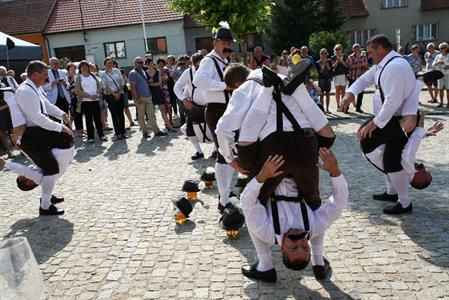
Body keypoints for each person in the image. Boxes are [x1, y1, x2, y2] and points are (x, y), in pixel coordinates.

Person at [217, 63, 335, 211]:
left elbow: (222, 129)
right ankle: (300, 91)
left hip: (274, 147)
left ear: (237, 84)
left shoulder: (244, 89)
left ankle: (267, 92)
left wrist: (230, 159)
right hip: (307, 142)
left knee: (254, 202)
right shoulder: (285, 78)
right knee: (313, 201)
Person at [241, 149, 348, 282]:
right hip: (301, 172)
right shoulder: (314, 227)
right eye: (304, 246)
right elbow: (339, 203)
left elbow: (247, 203)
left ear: (282, 249)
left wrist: (262, 176)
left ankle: (265, 265)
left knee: (244, 151)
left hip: (271, 174)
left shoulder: (266, 231)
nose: (299, 241)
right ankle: (318, 261)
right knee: (323, 137)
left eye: (293, 247)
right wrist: (334, 171)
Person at [341, 34, 416, 214]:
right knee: (388, 155)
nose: (369, 56)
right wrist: (350, 93)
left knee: (370, 143)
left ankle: (404, 201)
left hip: (398, 120)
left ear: (381, 49)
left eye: (370, 52)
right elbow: (364, 80)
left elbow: (393, 100)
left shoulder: (396, 67)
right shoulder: (384, 65)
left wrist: (374, 124)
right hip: (390, 118)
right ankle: (392, 191)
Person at [13, 60, 73, 215]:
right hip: (31, 138)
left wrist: (62, 115)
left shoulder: (34, 88)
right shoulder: (26, 91)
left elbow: (46, 105)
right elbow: (37, 117)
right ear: (34, 75)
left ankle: (48, 195)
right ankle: (45, 207)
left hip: (38, 135)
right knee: (51, 168)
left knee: (48, 169)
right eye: (45, 75)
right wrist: (61, 127)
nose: (47, 78)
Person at [192, 26, 236, 212]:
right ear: (215, 43)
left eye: (229, 44)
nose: (227, 47)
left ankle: (225, 192)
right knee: (223, 154)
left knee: (231, 154)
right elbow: (198, 81)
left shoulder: (224, 61)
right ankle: (223, 198)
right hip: (217, 110)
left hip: (228, 110)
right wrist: (223, 86)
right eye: (224, 43)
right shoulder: (209, 61)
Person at [174, 53, 210, 160]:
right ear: (194, 63)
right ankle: (199, 151)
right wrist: (184, 99)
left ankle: (216, 151)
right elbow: (177, 87)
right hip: (194, 107)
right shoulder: (188, 72)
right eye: (200, 63)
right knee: (189, 130)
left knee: (216, 128)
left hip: (210, 106)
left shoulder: (209, 71)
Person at [129, 57, 166, 138]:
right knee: (141, 116)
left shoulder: (143, 71)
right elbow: (132, 87)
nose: (140, 64)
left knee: (151, 115)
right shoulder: (132, 73)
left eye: (141, 62)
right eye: (138, 62)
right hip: (140, 97)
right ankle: (144, 132)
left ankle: (156, 131)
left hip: (148, 96)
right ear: (135, 63)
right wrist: (137, 98)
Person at [74, 61, 106, 143]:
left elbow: (99, 86)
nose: (84, 68)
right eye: (82, 67)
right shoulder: (78, 77)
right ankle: (90, 137)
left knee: (98, 119)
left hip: (96, 100)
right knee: (88, 120)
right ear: (80, 68)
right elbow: (78, 90)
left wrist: (97, 94)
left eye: (86, 66)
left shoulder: (93, 75)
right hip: (86, 102)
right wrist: (89, 96)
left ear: (88, 67)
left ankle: (101, 135)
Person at [146, 58, 176, 132]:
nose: (150, 65)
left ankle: (169, 126)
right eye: (148, 64)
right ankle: (155, 128)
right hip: (150, 93)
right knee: (151, 112)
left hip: (159, 92)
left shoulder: (157, 72)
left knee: (163, 109)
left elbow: (159, 83)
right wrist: (151, 83)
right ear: (146, 65)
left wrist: (150, 83)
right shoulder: (145, 73)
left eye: (151, 63)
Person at [100, 57, 126, 140]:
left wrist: (119, 92)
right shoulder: (103, 74)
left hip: (120, 93)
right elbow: (105, 86)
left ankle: (123, 132)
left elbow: (122, 82)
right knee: (114, 115)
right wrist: (114, 94)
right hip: (110, 96)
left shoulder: (117, 71)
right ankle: (117, 133)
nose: (110, 64)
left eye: (111, 63)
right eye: (108, 63)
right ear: (105, 65)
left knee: (121, 114)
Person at [66, 62, 84, 138]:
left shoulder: (77, 76)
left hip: (79, 98)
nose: (73, 70)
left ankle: (81, 130)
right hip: (72, 99)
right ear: (68, 70)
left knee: (80, 114)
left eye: (74, 69)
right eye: (71, 69)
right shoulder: (67, 78)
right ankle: (78, 131)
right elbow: (70, 88)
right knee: (75, 115)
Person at [331, 44, 349, 112]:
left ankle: (343, 105)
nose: (338, 50)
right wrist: (337, 61)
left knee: (343, 91)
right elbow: (333, 67)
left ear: (342, 49)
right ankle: (338, 105)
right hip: (336, 76)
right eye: (336, 49)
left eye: (339, 49)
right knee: (337, 91)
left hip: (343, 75)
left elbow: (347, 66)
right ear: (334, 50)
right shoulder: (333, 57)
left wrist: (341, 61)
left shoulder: (344, 57)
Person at [432, 42, 449, 108]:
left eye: (443, 48)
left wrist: (445, 65)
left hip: (448, 74)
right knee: (440, 89)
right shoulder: (438, 56)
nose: (441, 49)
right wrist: (437, 62)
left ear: (446, 48)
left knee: (448, 89)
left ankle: (448, 103)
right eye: (440, 48)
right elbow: (433, 65)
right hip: (440, 74)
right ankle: (441, 103)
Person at [0, 85, 15, 158]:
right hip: (1, 116)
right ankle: (9, 152)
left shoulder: (4, 88)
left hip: (9, 113)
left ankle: (21, 149)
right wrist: (7, 105)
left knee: (14, 131)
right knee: (3, 134)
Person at [316, 48, 333, 113]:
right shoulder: (317, 63)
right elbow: (319, 72)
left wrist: (327, 65)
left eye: (325, 53)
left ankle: (327, 109)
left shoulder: (329, 61)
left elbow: (330, 70)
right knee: (321, 95)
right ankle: (322, 109)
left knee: (328, 94)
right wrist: (323, 65)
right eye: (322, 53)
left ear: (327, 54)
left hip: (328, 79)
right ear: (320, 54)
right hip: (321, 79)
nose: (323, 54)